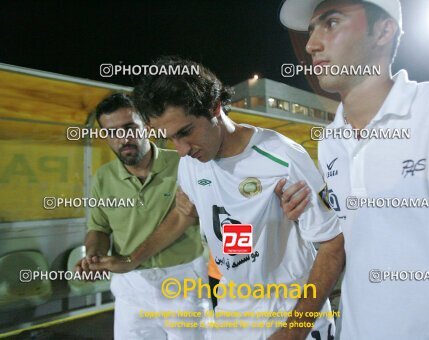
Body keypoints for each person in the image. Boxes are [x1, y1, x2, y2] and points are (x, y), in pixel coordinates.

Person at [279, 0, 429, 339]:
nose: (310, 45)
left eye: (331, 23)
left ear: (383, 30)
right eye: (310, 30)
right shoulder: (331, 141)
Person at [133, 56, 345, 340]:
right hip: (232, 310)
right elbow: (195, 215)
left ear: (215, 107)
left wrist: (294, 331)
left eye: (185, 132)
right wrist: (130, 258)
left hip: (290, 307)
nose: (181, 149)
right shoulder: (190, 164)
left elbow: (333, 244)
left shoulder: (282, 157)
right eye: (169, 139)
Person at [73, 93, 208, 340]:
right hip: (131, 287)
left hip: (182, 280)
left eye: (129, 127)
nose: (123, 138)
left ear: (147, 126)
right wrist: (94, 255)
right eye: (112, 132)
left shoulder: (184, 164)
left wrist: (130, 260)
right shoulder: (103, 178)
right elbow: (99, 228)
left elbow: (184, 217)